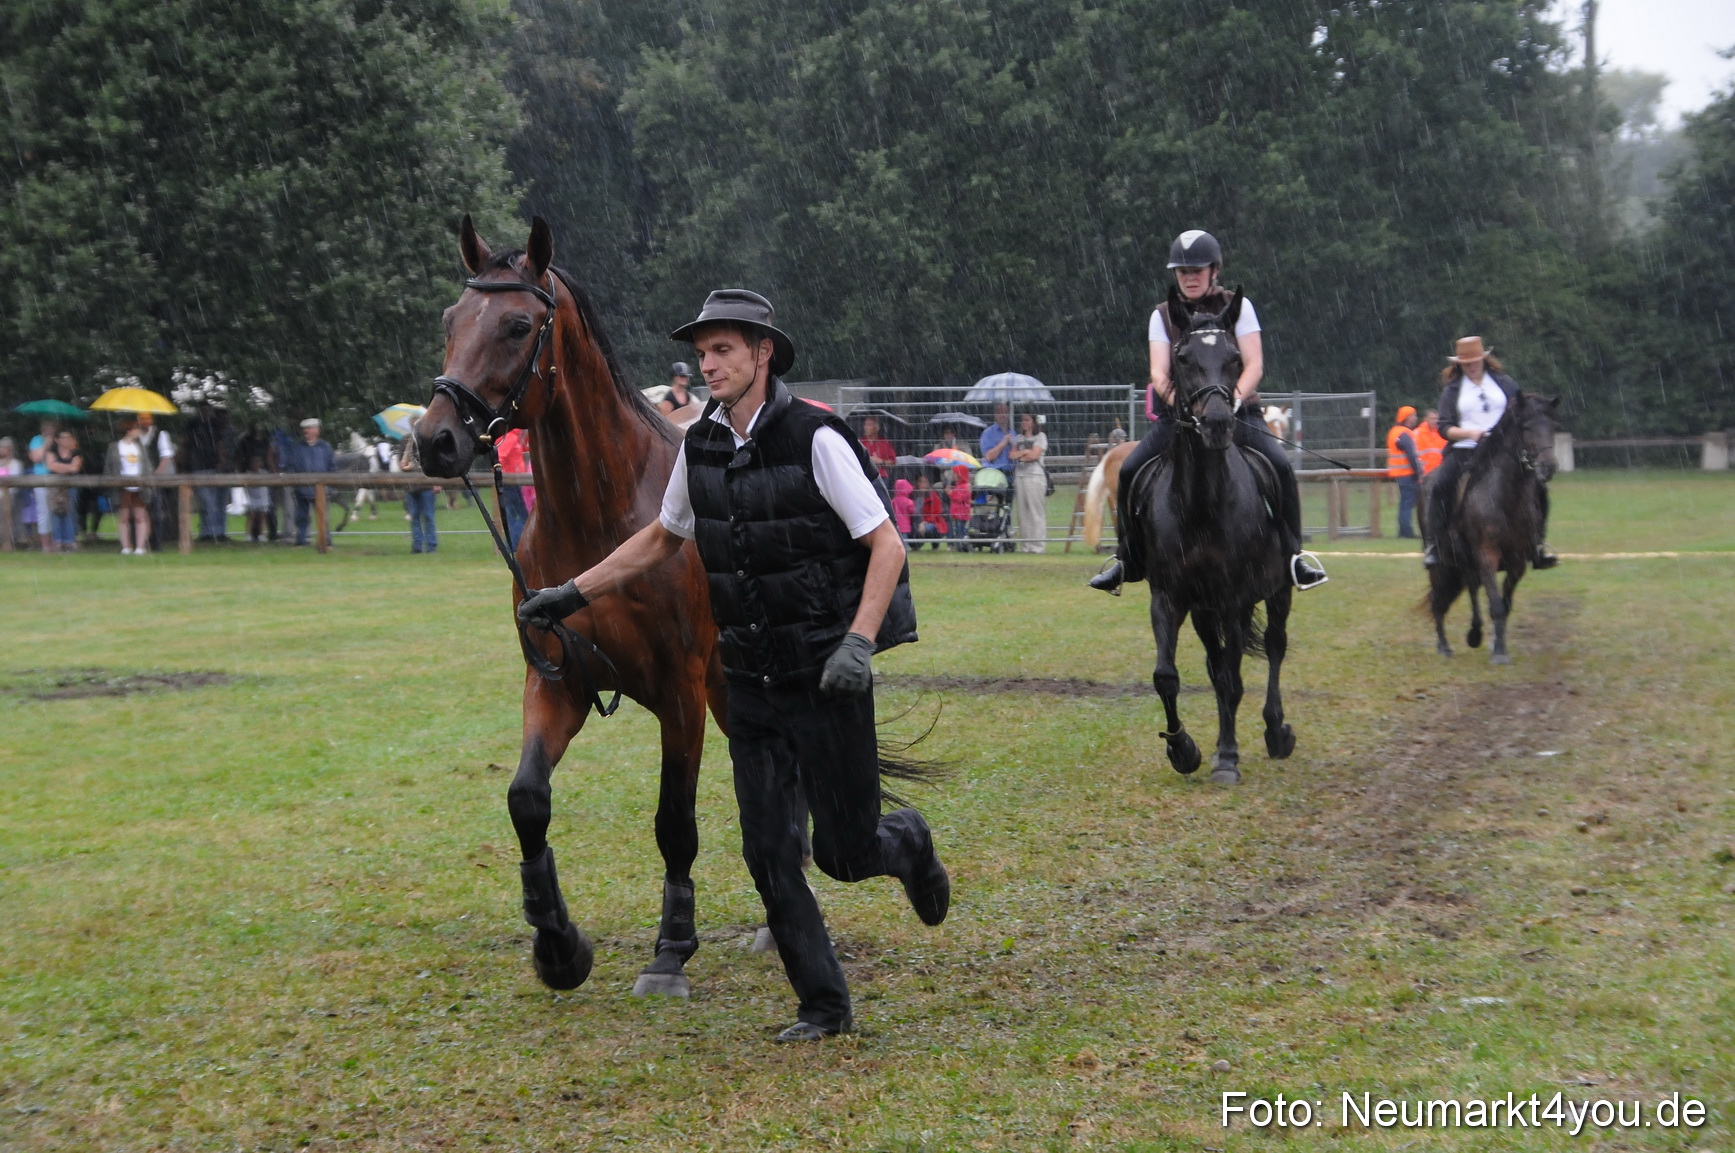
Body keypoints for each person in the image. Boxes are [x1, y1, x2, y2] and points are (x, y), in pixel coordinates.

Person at [516, 288, 948, 1043]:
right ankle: (822, 1003)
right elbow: (661, 537)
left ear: (762, 354)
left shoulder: (815, 438)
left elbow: (886, 544)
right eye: (701, 351)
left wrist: (857, 642)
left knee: (845, 853)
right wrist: (571, 590)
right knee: (766, 850)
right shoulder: (701, 443)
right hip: (748, 673)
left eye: (722, 350)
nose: (706, 363)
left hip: (823, 669)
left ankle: (904, 840)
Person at [1090, 229, 1327, 593]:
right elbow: (1158, 372)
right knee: (1130, 471)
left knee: (1279, 467)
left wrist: (1228, 403)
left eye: (1197, 269)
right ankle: (1128, 558)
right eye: (1182, 271)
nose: (1190, 276)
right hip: (1180, 419)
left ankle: (1294, 556)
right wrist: (1185, 407)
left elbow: (1254, 365)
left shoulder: (1239, 307)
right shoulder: (1163, 315)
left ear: (1214, 270)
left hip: (1237, 414)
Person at [1422, 336, 1558, 570]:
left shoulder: (1504, 383)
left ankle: (1537, 545)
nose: (1471, 366)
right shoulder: (1453, 390)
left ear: (1485, 359)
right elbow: (1444, 427)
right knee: (1440, 485)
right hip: (1465, 450)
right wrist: (1469, 433)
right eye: (1466, 362)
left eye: (1475, 360)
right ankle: (1434, 545)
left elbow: (1523, 411)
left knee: (1538, 487)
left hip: (1504, 452)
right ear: (1459, 364)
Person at [184, 400, 234, 541]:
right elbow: (186, 444)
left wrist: (221, 461)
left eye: (208, 410)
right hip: (198, 467)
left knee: (220, 502)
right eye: (203, 410)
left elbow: (221, 444)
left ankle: (219, 532)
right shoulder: (192, 425)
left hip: (214, 467)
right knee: (208, 502)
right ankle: (207, 533)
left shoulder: (215, 425)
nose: (206, 413)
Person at [105, 421, 154, 554]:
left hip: (139, 486)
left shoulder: (141, 446)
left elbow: (147, 465)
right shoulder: (114, 447)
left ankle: (140, 547)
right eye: (136, 429)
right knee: (123, 517)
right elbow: (109, 467)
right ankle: (126, 547)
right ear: (129, 430)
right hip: (122, 486)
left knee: (140, 517)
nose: (138, 432)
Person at [285, 417, 335, 547]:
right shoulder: (297, 447)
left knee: (323, 515)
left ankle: (326, 540)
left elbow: (331, 466)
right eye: (304, 429)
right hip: (301, 488)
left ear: (316, 430)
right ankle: (301, 540)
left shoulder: (325, 447)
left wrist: (329, 483)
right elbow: (291, 465)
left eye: (309, 428)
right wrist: (295, 482)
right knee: (301, 516)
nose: (306, 431)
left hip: (322, 489)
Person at [1010, 412, 1048, 553]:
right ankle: (1026, 546)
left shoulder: (1040, 437)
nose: (1024, 423)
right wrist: (1024, 452)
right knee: (1023, 513)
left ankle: (1038, 546)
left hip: (1035, 476)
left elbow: (1034, 455)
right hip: (1020, 476)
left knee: (1035, 512)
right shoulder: (1018, 438)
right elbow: (1012, 455)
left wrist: (1024, 454)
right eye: (1022, 420)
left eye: (1027, 420)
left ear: (1033, 422)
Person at [1385, 405, 1425, 539]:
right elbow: (1411, 455)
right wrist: (1418, 472)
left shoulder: (1394, 431)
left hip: (1399, 473)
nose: (1415, 418)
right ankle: (1406, 532)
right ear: (1407, 418)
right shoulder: (1405, 433)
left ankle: (1403, 531)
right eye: (1413, 415)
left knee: (1405, 503)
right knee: (1407, 503)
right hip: (1407, 473)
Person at [44, 429, 85, 552]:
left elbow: (75, 468)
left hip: (71, 486)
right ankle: (58, 541)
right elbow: (51, 466)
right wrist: (67, 468)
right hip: (55, 487)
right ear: (57, 440)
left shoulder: (76, 452)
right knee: (55, 512)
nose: (66, 440)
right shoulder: (52, 452)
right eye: (63, 437)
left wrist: (60, 467)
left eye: (69, 437)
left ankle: (69, 541)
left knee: (70, 511)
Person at [398, 431, 437, 554]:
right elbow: (401, 463)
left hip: (426, 485)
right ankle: (417, 546)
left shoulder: (429, 442)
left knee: (428, 516)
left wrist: (413, 466)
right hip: (411, 486)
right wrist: (403, 465)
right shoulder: (405, 441)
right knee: (414, 516)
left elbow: (434, 463)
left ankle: (431, 546)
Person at [496, 427, 530, 549]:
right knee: (521, 515)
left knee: (515, 514)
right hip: (511, 483)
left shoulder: (513, 437)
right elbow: (499, 458)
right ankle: (515, 543)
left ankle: (513, 543)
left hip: (514, 482)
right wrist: (503, 475)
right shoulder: (510, 437)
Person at [28, 421, 54, 553]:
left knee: (57, 511)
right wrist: (46, 444)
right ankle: (46, 544)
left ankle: (58, 541)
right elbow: (36, 458)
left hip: (57, 478)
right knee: (43, 512)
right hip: (41, 478)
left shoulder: (59, 440)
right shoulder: (36, 440)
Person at [979, 405, 1013, 487]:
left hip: (1010, 476)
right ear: (995, 415)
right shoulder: (988, 433)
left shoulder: (1012, 432)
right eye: (999, 412)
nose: (1003, 415)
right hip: (993, 475)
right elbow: (988, 457)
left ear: (1009, 414)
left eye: (1005, 412)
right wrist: (1003, 443)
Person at [0, 438, 25, 547]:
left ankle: (9, 542)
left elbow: (15, 480)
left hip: (10, 496)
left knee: (8, 519)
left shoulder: (16, 463)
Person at [912, 473, 946, 549]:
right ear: (917, 483)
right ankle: (915, 545)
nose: (923, 484)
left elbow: (936, 513)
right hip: (916, 521)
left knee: (928, 529)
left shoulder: (933, 496)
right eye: (921, 482)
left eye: (925, 482)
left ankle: (935, 542)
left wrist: (924, 522)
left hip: (931, 522)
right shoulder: (913, 495)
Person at [946, 464, 972, 549]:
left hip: (961, 514)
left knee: (960, 530)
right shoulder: (959, 485)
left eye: (955, 473)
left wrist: (950, 493)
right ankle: (958, 544)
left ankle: (961, 545)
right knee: (956, 529)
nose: (953, 475)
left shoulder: (965, 486)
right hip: (957, 513)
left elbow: (959, 498)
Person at [1415, 408, 1447, 477]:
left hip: (1440, 473)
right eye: (1432, 418)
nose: (1435, 421)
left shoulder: (1443, 433)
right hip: (1422, 473)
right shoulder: (1416, 433)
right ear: (1426, 419)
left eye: (1436, 419)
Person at [891, 476, 916, 543]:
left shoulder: (893, 501)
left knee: (897, 539)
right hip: (905, 525)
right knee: (904, 540)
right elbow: (912, 511)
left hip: (895, 524)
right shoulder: (909, 502)